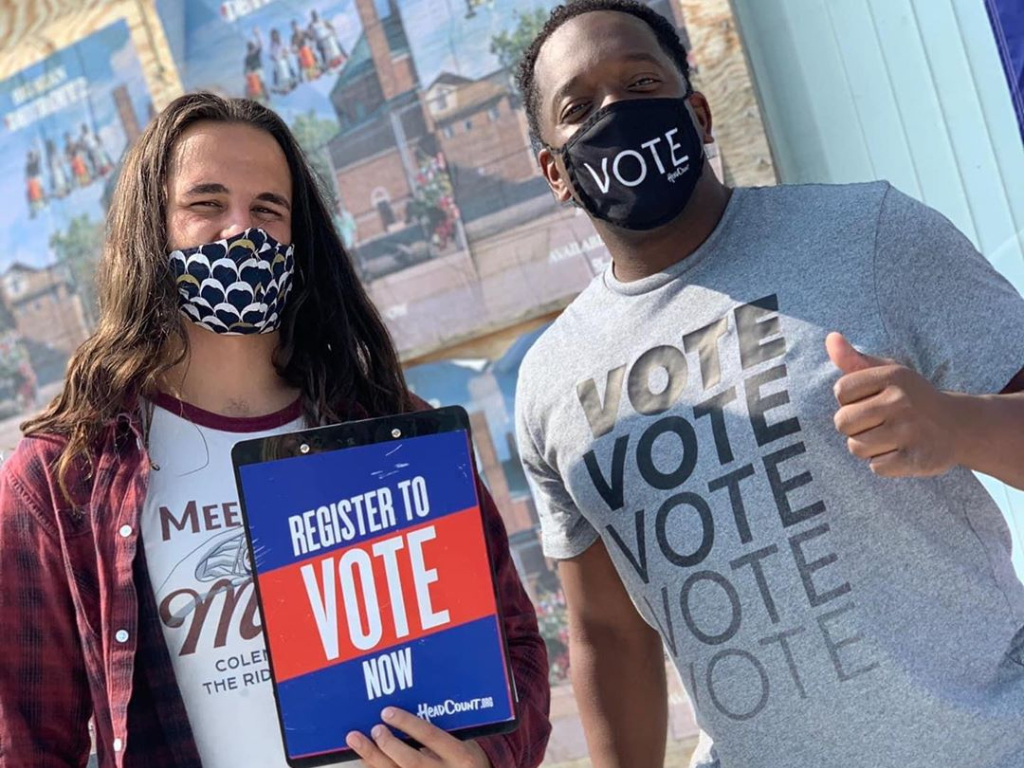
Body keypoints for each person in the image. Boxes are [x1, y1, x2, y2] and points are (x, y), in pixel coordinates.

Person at [513, 2, 1024, 768]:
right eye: (579, 108)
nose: (616, 114)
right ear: (557, 173)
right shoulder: (549, 385)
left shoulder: (871, 233)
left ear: (700, 111)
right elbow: (610, 635)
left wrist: (955, 424)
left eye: (641, 82)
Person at [0, 92, 550, 768]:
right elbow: (23, 742)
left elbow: (513, 646)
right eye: (206, 203)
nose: (242, 230)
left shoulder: (386, 424)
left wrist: (486, 757)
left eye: (268, 209)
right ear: (148, 229)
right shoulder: (64, 476)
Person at [269, 28, 297, 94]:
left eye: (275, 35)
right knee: (275, 68)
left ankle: (293, 77)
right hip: (277, 59)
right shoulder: (272, 44)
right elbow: (271, 54)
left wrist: (284, 54)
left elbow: (287, 49)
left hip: (284, 57)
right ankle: (275, 84)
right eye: (273, 36)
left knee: (289, 63)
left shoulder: (282, 41)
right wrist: (274, 57)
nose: (274, 37)